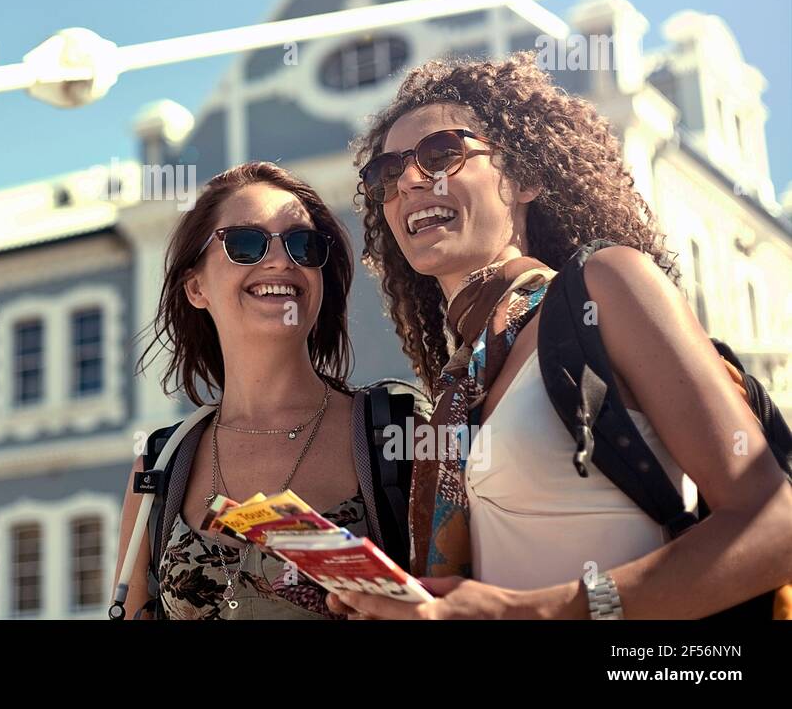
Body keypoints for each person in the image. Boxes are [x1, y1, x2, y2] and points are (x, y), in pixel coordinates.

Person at [330, 53, 792, 620]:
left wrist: (536, 611)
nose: (408, 180)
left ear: (525, 176)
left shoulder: (606, 284)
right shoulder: (463, 380)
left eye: (441, 154)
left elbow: (776, 523)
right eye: (387, 172)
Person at [112, 162, 378, 619]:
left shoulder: (394, 435)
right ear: (196, 287)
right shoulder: (159, 466)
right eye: (245, 243)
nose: (280, 260)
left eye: (302, 244)